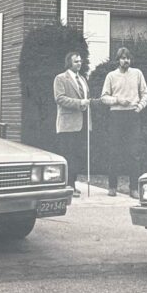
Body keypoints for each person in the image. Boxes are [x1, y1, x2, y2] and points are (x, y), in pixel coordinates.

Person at [101, 47, 147, 198]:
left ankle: (133, 188)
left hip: (132, 116)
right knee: (114, 151)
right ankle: (112, 186)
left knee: (134, 153)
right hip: (116, 115)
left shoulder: (137, 73)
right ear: (118, 60)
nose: (125, 60)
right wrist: (117, 100)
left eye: (128, 58)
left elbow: (145, 94)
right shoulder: (111, 76)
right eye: (122, 58)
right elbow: (104, 97)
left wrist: (139, 107)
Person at [53, 51, 94, 198]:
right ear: (69, 62)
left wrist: (86, 103)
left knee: (78, 155)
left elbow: (86, 98)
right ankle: (67, 185)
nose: (79, 63)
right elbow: (60, 98)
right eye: (76, 61)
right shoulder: (60, 78)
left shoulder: (82, 79)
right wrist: (79, 103)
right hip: (68, 124)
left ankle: (73, 184)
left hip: (82, 122)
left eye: (80, 61)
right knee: (68, 154)